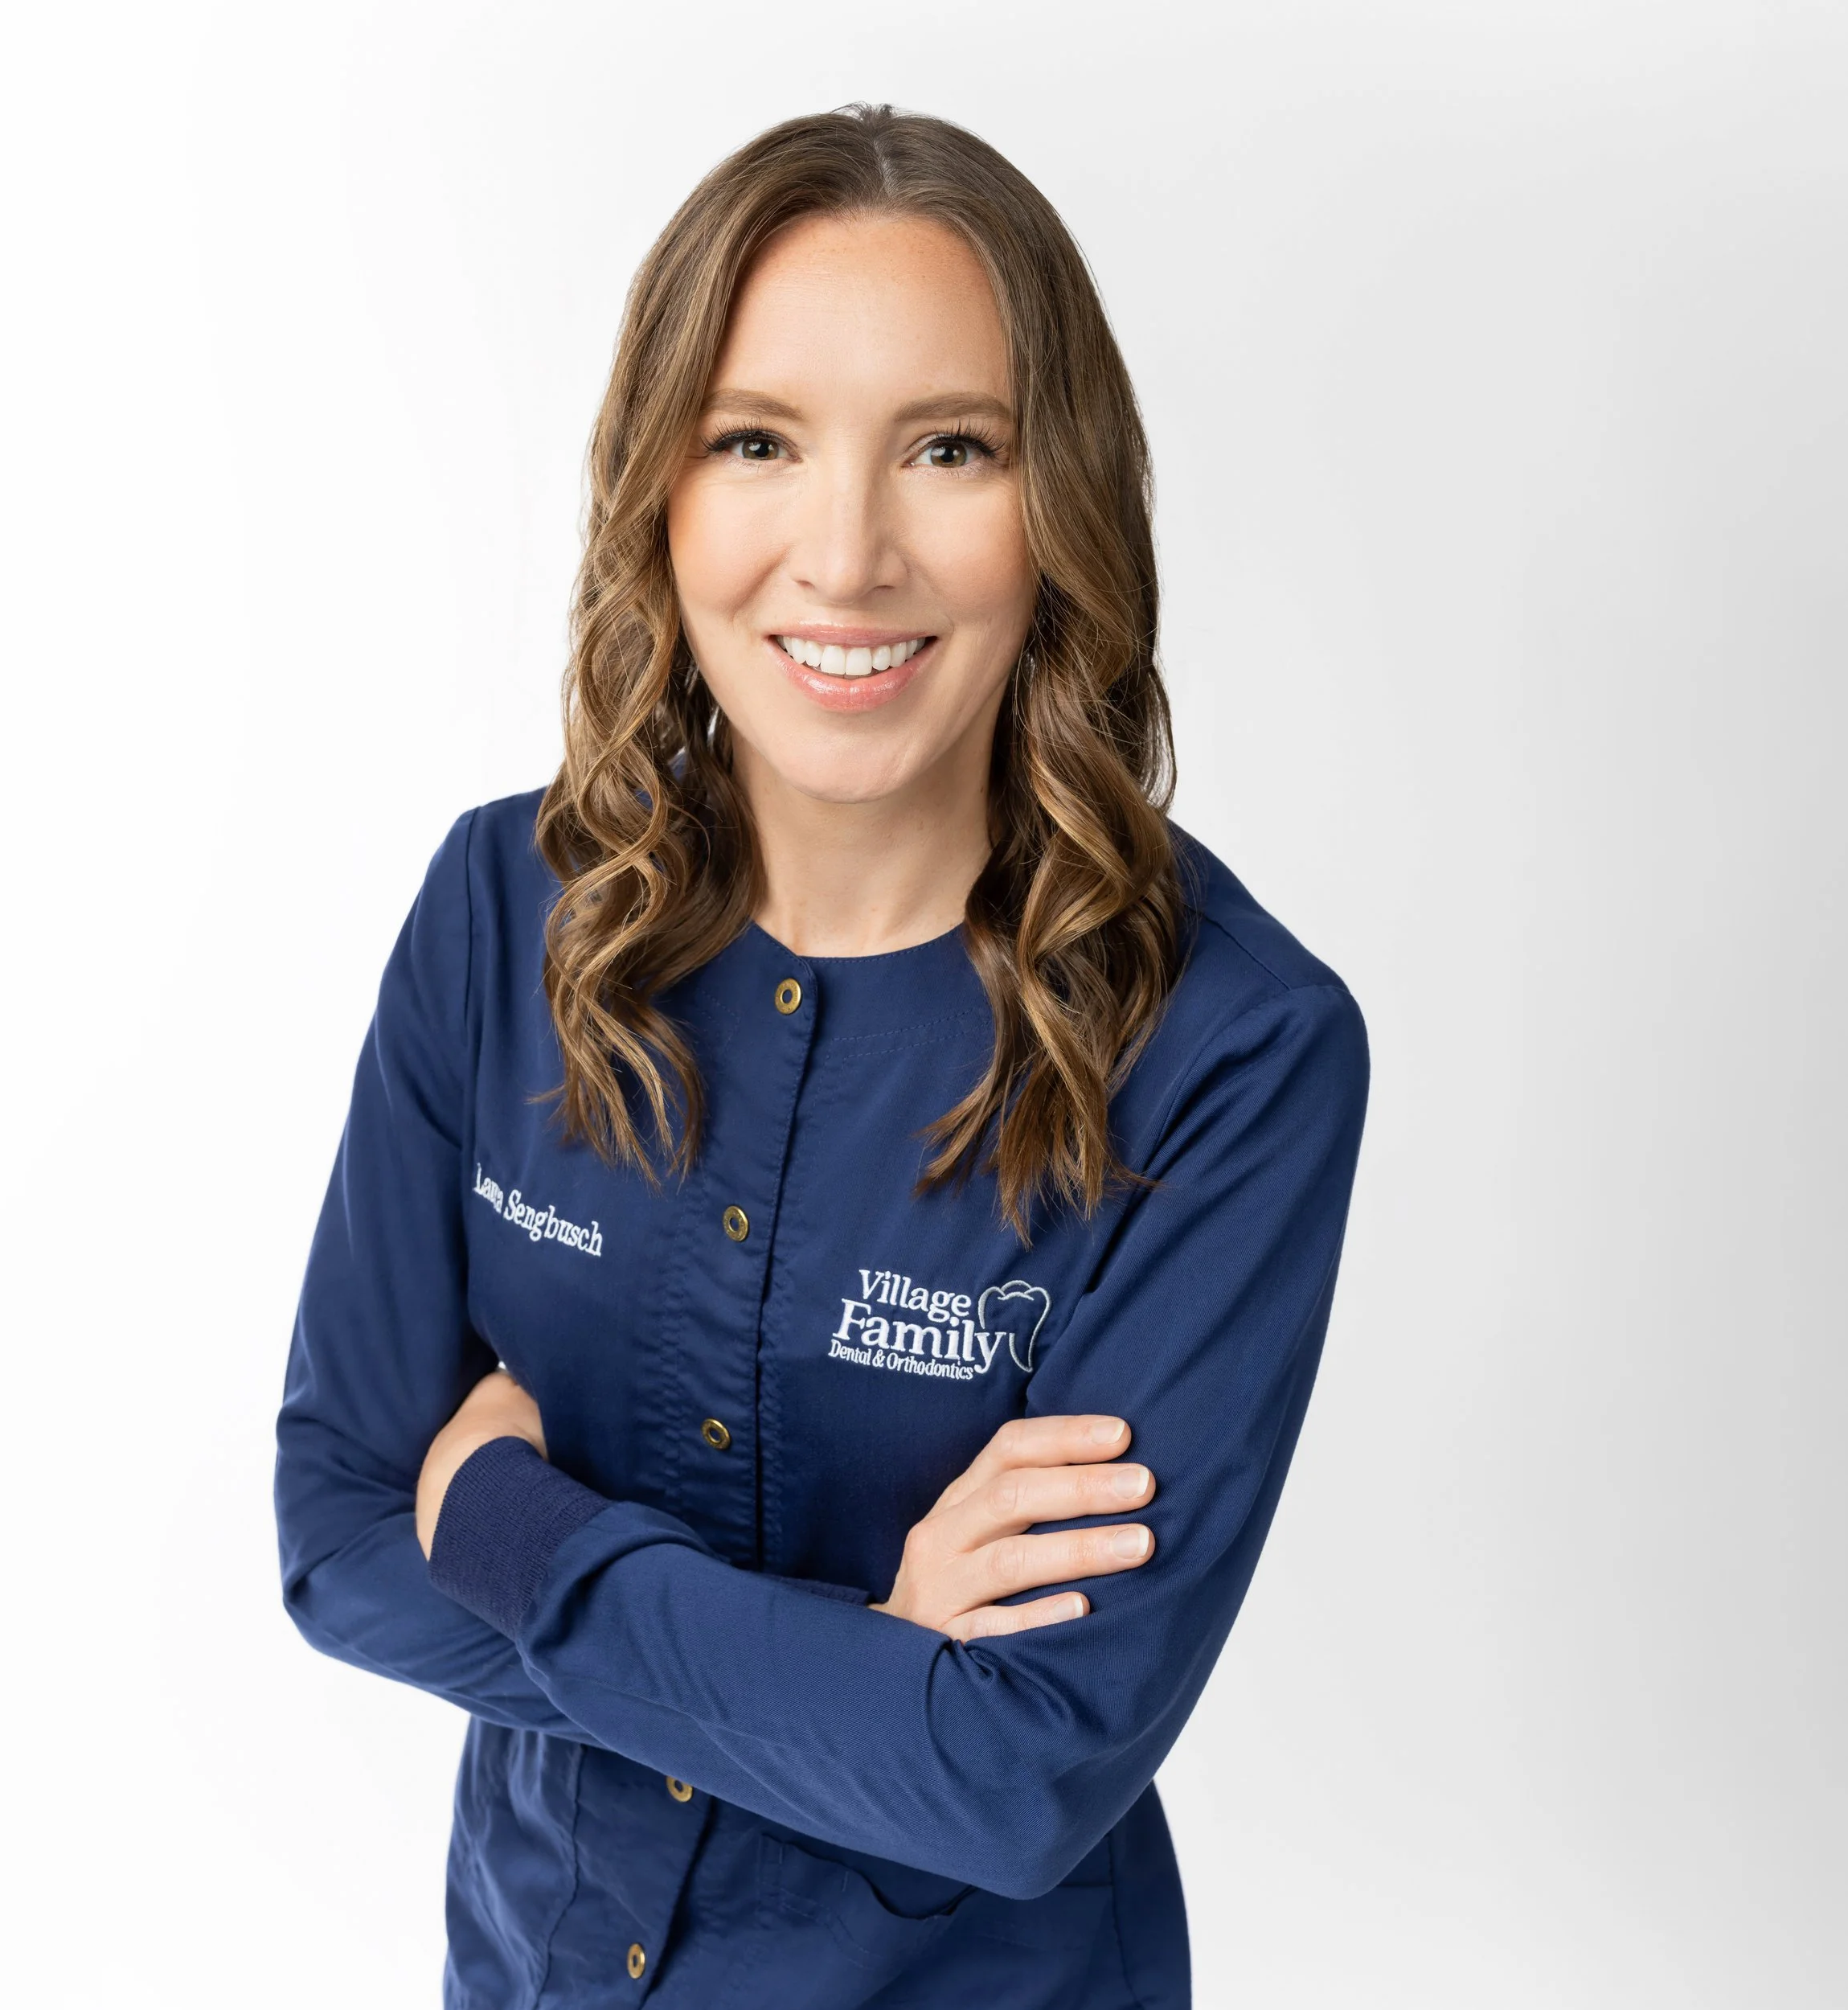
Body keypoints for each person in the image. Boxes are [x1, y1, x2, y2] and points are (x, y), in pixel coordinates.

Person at [273, 102, 1370, 2010]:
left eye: (949, 448)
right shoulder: (494, 911)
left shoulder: (1231, 1053)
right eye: (757, 441)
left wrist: (517, 1528)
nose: (845, 554)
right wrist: (870, 1647)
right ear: (659, 494)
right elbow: (345, 1532)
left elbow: (1019, 1770)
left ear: (1063, 509)